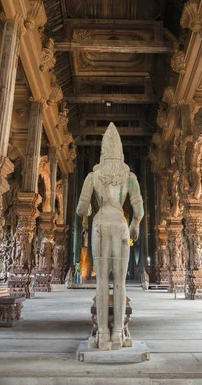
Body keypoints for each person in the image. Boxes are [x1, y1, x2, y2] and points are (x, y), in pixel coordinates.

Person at [76, 123, 144, 350]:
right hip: (120, 224)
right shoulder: (129, 176)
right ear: (121, 151)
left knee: (102, 281)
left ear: (103, 151)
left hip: (100, 223)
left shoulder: (93, 176)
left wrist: (86, 214)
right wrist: (135, 224)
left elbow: (81, 208)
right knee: (120, 282)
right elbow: (139, 208)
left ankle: (102, 333)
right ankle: (119, 334)